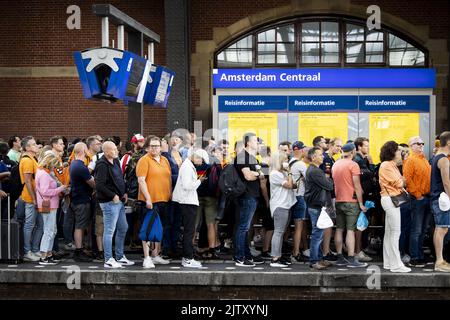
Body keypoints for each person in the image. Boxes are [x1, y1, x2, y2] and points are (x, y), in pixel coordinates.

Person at [95, 141, 134, 268]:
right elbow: (99, 185)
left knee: (123, 228)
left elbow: (120, 179)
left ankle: (119, 256)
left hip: (119, 201)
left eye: (116, 149)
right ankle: (108, 259)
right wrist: (113, 195)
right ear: (106, 152)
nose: (116, 151)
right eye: (113, 149)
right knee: (109, 231)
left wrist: (124, 192)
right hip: (109, 202)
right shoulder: (102, 164)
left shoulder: (115, 160)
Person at [136, 136, 172, 268]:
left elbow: (168, 179)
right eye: (152, 146)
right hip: (150, 201)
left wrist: (170, 194)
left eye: (157, 146)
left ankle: (156, 255)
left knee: (159, 229)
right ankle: (146, 257)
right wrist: (148, 198)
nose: (155, 148)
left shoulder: (165, 160)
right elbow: (141, 180)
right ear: (147, 148)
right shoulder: (144, 160)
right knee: (148, 229)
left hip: (164, 199)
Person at [332, 143, 368, 268]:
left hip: (338, 200)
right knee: (350, 230)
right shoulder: (353, 165)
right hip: (351, 202)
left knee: (339, 229)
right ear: (353, 152)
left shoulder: (335, 164)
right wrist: (361, 203)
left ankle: (340, 257)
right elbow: (357, 186)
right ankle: (351, 258)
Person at [379, 141, 411, 273]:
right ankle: (396, 265)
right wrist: (402, 181)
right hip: (391, 200)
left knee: (389, 233)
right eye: (398, 150)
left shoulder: (391, 165)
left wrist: (402, 181)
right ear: (391, 152)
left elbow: (401, 181)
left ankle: (388, 262)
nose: (400, 152)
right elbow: (400, 183)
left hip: (390, 200)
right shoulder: (387, 165)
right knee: (395, 233)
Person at [233, 133, 265, 267]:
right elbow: (248, 176)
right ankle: (239, 257)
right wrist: (259, 173)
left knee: (245, 228)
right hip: (246, 196)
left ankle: (246, 255)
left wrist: (256, 174)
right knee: (243, 227)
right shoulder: (242, 157)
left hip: (251, 196)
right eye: (255, 141)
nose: (258, 143)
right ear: (248, 143)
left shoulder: (252, 158)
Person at [172, 149, 207, 268]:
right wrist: (199, 181)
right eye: (199, 158)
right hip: (187, 202)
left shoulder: (188, 165)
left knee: (189, 230)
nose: (200, 162)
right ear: (193, 156)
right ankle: (187, 259)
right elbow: (187, 186)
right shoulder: (187, 167)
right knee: (189, 231)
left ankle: (187, 257)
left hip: (187, 201)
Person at [403, 136, 431, 268]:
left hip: (427, 197)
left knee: (423, 229)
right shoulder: (410, 160)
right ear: (411, 146)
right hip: (417, 198)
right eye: (417, 143)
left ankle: (419, 254)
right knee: (416, 229)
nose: (421, 145)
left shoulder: (424, 159)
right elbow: (407, 180)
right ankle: (414, 256)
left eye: (422, 143)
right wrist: (418, 195)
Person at [304, 147, 334, 270]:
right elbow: (329, 186)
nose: (322, 157)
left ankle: (320, 258)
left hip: (316, 205)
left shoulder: (313, 170)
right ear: (313, 157)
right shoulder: (315, 171)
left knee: (319, 233)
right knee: (317, 234)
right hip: (316, 206)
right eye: (320, 155)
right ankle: (314, 261)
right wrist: (328, 179)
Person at [35, 152, 68, 265]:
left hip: (47, 204)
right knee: (49, 231)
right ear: (50, 164)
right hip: (49, 204)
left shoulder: (41, 172)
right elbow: (45, 191)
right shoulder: (44, 174)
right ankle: (44, 255)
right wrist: (60, 189)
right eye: (54, 165)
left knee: (51, 230)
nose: (55, 168)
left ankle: (48, 254)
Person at [68, 142, 95, 262]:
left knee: (80, 225)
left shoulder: (73, 164)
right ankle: (78, 251)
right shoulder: (81, 166)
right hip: (81, 200)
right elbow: (93, 183)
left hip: (76, 198)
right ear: (83, 151)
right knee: (79, 226)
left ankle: (80, 249)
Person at [269, 152, 297, 267]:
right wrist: (290, 172)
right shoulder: (275, 173)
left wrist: (289, 174)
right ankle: (275, 258)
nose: (286, 162)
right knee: (278, 232)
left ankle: (278, 256)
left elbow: (294, 185)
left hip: (286, 205)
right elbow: (290, 185)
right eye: (284, 160)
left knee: (281, 232)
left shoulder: (283, 173)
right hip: (280, 206)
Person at [20, 136, 43, 262]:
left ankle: (35, 249)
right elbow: (28, 181)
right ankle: (27, 251)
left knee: (41, 224)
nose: (36, 146)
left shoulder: (33, 159)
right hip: (30, 198)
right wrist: (34, 199)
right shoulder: (27, 160)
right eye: (33, 144)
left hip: (38, 197)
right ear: (27, 147)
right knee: (29, 224)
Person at [313, 135, 336, 263]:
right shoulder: (326, 159)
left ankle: (324, 251)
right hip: (326, 196)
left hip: (327, 195)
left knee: (327, 223)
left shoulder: (329, 158)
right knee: (326, 224)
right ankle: (325, 251)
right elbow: (327, 180)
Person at [353, 137, 376, 262]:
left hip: (365, 196)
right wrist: (371, 163)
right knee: (360, 224)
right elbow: (368, 174)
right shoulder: (358, 159)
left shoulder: (362, 159)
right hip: (360, 197)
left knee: (363, 224)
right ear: (359, 147)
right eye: (365, 145)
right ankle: (358, 250)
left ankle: (361, 248)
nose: (368, 148)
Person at [431, 132, 450, 272]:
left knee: (440, 228)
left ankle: (440, 260)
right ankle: (439, 261)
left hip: (437, 198)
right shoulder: (444, 160)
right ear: (448, 142)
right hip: (442, 199)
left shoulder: (437, 157)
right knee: (442, 228)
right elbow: (447, 183)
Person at [289, 141, 309, 262]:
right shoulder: (301, 164)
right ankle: (295, 253)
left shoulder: (289, 162)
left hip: (289, 197)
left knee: (286, 227)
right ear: (302, 150)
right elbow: (309, 179)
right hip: (299, 197)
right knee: (299, 227)